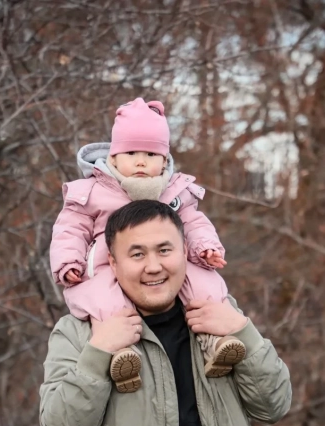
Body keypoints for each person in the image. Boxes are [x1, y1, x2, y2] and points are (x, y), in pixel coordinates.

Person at [40, 200, 292, 426]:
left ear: (185, 252)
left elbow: (274, 406)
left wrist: (244, 332)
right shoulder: (80, 332)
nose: (154, 266)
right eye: (137, 254)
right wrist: (98, 354)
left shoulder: (218, 318)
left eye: (164, 250)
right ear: (113, 263)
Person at [49, 98, 245, 394]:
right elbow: (69, 229)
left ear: (165, 161)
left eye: (151, 154)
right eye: (131, 153)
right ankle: (120, 354)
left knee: (204, 282)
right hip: (107, 262)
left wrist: (206, 247)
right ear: (113, 158)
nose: (141, 162)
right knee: (104, 301)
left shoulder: (175, 191)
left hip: (167, 258)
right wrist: (68, 261)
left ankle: (214, 340)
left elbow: (194, 222)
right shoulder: (93, 191)